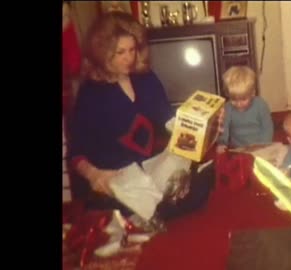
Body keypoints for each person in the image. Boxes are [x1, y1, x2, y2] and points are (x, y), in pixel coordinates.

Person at [67, 11, 223, 223]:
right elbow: (77, 152)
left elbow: (168, 119)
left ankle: (155, 207)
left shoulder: (145, 78)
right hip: (116, 175)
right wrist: (94, 175)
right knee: (171, 194)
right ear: (103, 53)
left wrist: (204, 126)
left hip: (151, 165)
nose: (128, 58)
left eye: (132, 50)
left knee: (188, 162)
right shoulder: (91, 92)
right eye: (120, 52)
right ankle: (155, 207)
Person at [216, 66, 274, 153]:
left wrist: (263, 145)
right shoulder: (227, 108)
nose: (239, 104)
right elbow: (224, 128)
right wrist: (222, 143)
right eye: (234, 99)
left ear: (253, 93)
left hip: (260, 146)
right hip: (239, 148)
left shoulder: (261, 105)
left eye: (243, 99)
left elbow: (267, 128)